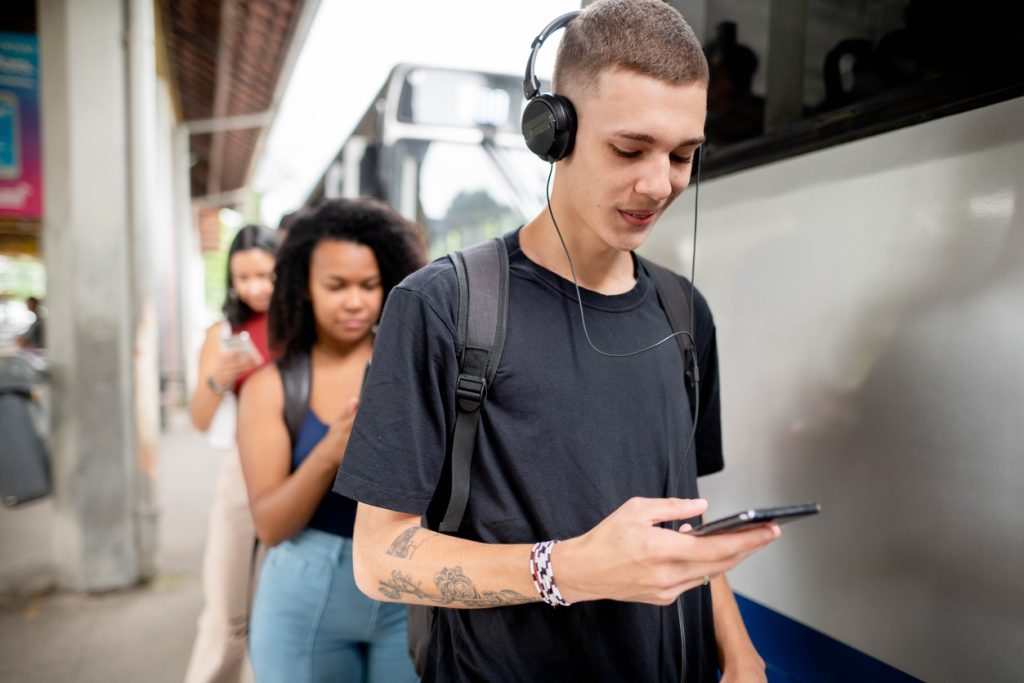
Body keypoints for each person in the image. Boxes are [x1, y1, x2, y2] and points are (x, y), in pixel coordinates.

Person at [333, 1, 778, 681]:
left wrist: (740, 652)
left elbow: (679, 530)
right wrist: (566, 568)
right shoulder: (441, 306)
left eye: (683, 155)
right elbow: (378, 556)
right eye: (629, 149)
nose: (659, 184)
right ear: (553, 132)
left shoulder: (686, 313)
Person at [237, 198, 426, 683]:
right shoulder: (270, 387)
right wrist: (334, 449)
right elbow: (271, 526)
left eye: (369, 285)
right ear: (303, 288)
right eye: (336, 286)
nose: (356, 302)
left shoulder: (417, 367)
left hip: (406, 584)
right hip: (305, 593)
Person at [184, 224, 279, 683]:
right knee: (226, 610)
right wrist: (218, 377)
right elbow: (199, 419)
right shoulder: (222, 332)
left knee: (273, 604)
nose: (255, 287)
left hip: (297, 470)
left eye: (266, 275)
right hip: (240, 472)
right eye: (243, 277)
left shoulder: (304, 322)